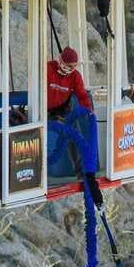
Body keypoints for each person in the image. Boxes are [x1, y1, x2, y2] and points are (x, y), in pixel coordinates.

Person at [47, 46, 102, 205]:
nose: (71, 69)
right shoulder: (48, 69)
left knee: (74, 136)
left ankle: (81, 174)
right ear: (61, 62)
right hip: (43, 109)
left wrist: (89, 112)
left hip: (64, 109)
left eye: (74, 67)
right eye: (69, 66)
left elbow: (82, 95)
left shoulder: (75, 76)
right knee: (36, 134)